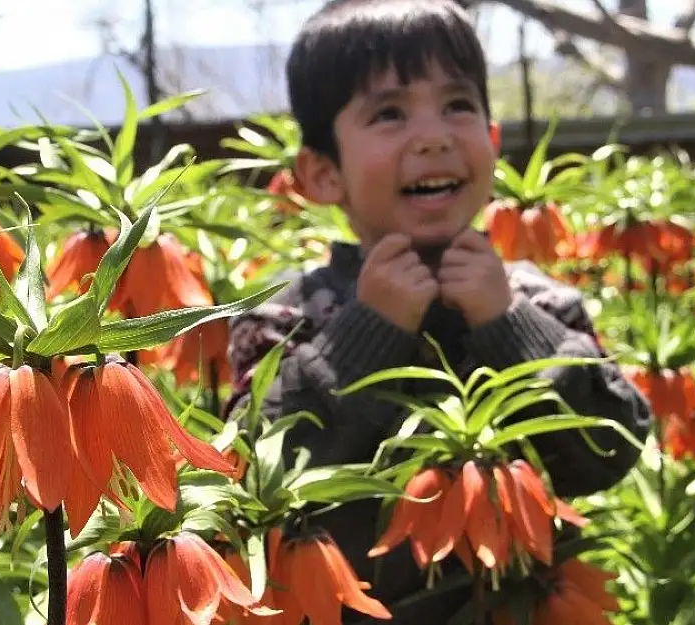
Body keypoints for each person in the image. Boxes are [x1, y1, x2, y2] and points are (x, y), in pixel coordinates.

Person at [223, 0, 652, 622]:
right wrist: (366, 332)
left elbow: (610, 451)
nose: (433, 136)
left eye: (458, 106)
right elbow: (257, 468)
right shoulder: (285, 317)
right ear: (322, 175)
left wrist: (511, 327)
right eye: (389, 114)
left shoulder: (540, 303)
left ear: (492, 142)